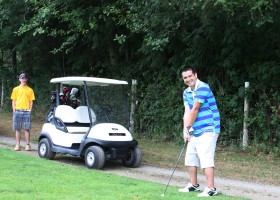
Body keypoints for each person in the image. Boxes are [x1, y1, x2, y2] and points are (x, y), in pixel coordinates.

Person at [179, 66, 220, 197]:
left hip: (209, 127)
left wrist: (188, 127)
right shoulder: (186, 92)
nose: (188, 79)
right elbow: (187, 111)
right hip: (194, 129)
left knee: (206, 158)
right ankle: (194, 185)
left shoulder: (203, 87)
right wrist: (186, 130)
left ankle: (211, 189)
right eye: (185, 77)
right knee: (190, 158)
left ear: (195, 75)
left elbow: (195, 109)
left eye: (190, 76)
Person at [11, 73, 35, 151]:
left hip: (26, 112)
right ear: (20, 79)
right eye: (22, 78)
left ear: (26, 79)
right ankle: (18, 145)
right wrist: (14, 110)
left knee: (27, 129)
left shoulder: (30, 90)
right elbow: (13, 101)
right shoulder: (15, 89)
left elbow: (31, 101)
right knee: (18, 129)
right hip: (17, 111)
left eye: (25, 78)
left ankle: (27, 145)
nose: (24, 79)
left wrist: (30, 110)